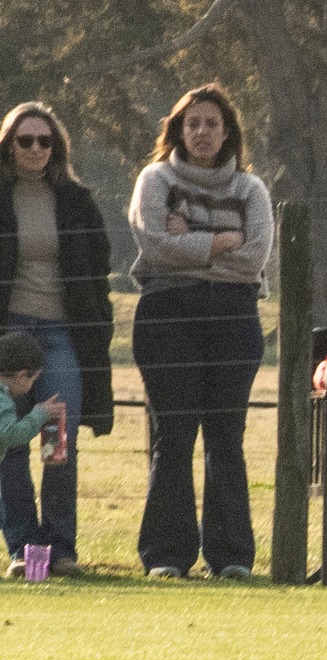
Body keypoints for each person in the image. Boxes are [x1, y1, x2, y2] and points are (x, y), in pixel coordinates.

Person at [128, 83, 273, 580]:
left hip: (234, 318)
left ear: (227, 131)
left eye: (212, 123)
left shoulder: (251, 190)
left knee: (225, 437)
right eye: (193, 123)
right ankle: (166, 556)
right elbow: (152, 244)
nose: (203, 132)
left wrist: (187, 240)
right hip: (166, 315)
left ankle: (231, 557)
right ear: (178, 130)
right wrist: (220, 241)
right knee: (174, 434)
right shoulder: (156, 179)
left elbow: (253, 258)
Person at [0, 101, 112, 578]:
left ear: (56, 147)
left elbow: (98, 264)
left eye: (44, 140)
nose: (35, 148)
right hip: (9, 336)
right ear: (9, 145)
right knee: (9, 443)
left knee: (57, 442)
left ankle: (60, 548)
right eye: (25, 140)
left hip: (61, 335)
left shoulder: (76, 200)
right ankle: (24, 550)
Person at [0, 330, 62, 470]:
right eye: (33, 380)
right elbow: (11, 435)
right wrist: (39, 414)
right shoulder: (2, 400)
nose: (32, 385)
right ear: (21, 376)